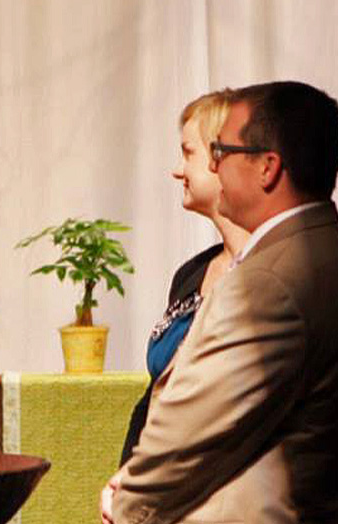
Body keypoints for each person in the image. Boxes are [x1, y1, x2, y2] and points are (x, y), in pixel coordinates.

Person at [102, 81, 338, 524]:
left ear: (267, 168)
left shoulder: (272, 280)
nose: (213, 165)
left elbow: (194, 429)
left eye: (222, 152)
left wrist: (131, 506)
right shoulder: (331, 250)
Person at [116, 91, 250, 466]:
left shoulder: (267, 273)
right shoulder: (191, 274)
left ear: (222, 160)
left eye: (188, 153)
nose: (178, 170)